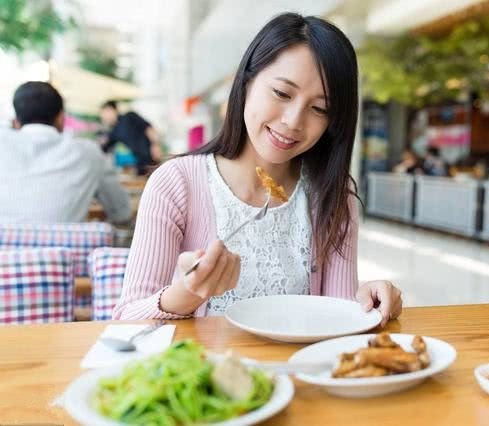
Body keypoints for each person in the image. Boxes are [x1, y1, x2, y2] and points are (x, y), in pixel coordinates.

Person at [113, 13, 403, 324]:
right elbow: (126, 319)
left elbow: (336, 317)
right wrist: (189, 291)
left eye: (319, 108)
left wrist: (366, 301)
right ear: (247, 81)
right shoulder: (176, 183)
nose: (293, 121)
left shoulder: (334, 196)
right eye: (281, 93)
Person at [0, 81, 131, 224]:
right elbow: (122, 212)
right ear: (61, 118)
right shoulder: (88, 153)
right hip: (64, 245)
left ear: (16, 121)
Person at [99, 100, 163, 176]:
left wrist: (156, 145)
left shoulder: (129, 116)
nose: (104, 117)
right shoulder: (114, 131)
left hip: (151, 156)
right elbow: (104, 148)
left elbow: (148, 128)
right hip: (140, 162)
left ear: (112, 110)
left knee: (159, 178)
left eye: (105, 113)